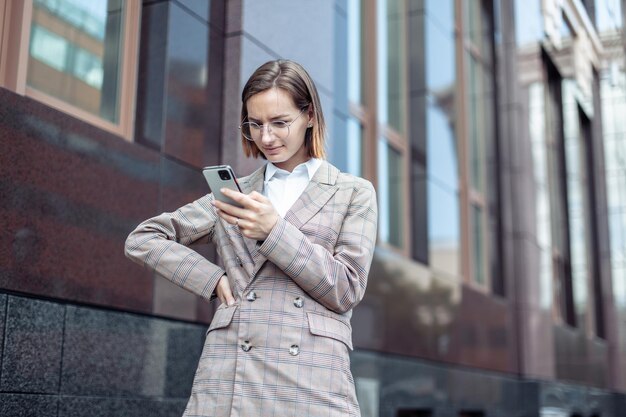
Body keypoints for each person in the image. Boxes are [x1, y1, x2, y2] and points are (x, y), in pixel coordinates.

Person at [124, 59, 378, 417]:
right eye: (255, 124)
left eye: (280, 123)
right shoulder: (235, 193)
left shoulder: (353, 192)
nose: (267, 137)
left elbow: (347, 288)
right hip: (231, 373)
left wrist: (274, 231)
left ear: (309, 116)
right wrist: (211, 279)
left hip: (313, 380)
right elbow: (144, 238)